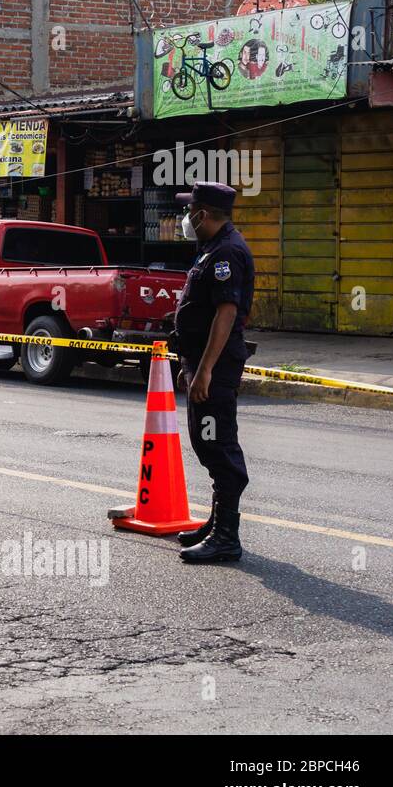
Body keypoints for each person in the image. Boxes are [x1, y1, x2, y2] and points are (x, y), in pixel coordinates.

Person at [170, 181, 254, 563]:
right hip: (204, 362)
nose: (186, 217)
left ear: (203, 214)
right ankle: (216, 523)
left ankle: (226, 537)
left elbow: (226, 313)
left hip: (216, 366)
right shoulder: (212, 249)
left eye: (190, 210)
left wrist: (204, 371)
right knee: (206, 442)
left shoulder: (227, 253)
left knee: (218, 444)